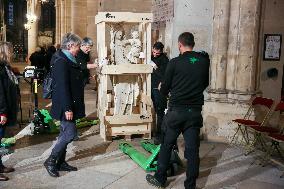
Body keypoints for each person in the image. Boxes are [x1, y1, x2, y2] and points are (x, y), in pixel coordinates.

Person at [146, 32, 210, 189]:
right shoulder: (203, 61)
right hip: (194, 112)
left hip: (176, 112)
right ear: (193, 44)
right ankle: (190, 185)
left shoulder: (174, 62)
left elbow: (164, 88)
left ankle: (160, 179)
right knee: (193, 149)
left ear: (179, 45)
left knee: (167, 144)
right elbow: (205, 83)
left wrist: (163, 87)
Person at [44, 33, 85, 177]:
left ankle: (60, 162)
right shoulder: (61, 61)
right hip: (65, 105)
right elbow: (62, 86)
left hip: (70, 103)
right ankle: (50, 161)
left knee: (64, 133)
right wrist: (68, 108)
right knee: (70, 133)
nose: (79, 49)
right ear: (70, 46)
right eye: (77, 46)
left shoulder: (68, 58)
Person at [0, 42, 18, 181]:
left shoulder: (5, 67)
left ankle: (0, 166)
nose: (12, 53)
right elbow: (0, 93)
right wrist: (2, 112)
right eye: (10, 51)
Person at [149, 42, 169, 144]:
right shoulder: (149, 56)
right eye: (154, 52)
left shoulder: (165, 60)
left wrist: (155, 67)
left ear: (161, 52)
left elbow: (164, 75)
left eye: (157, 53)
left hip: (159, 89)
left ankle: (159, 135)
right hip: (150, 87)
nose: (155, 55)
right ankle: (154, 132)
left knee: (160, 112)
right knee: (154, 109)